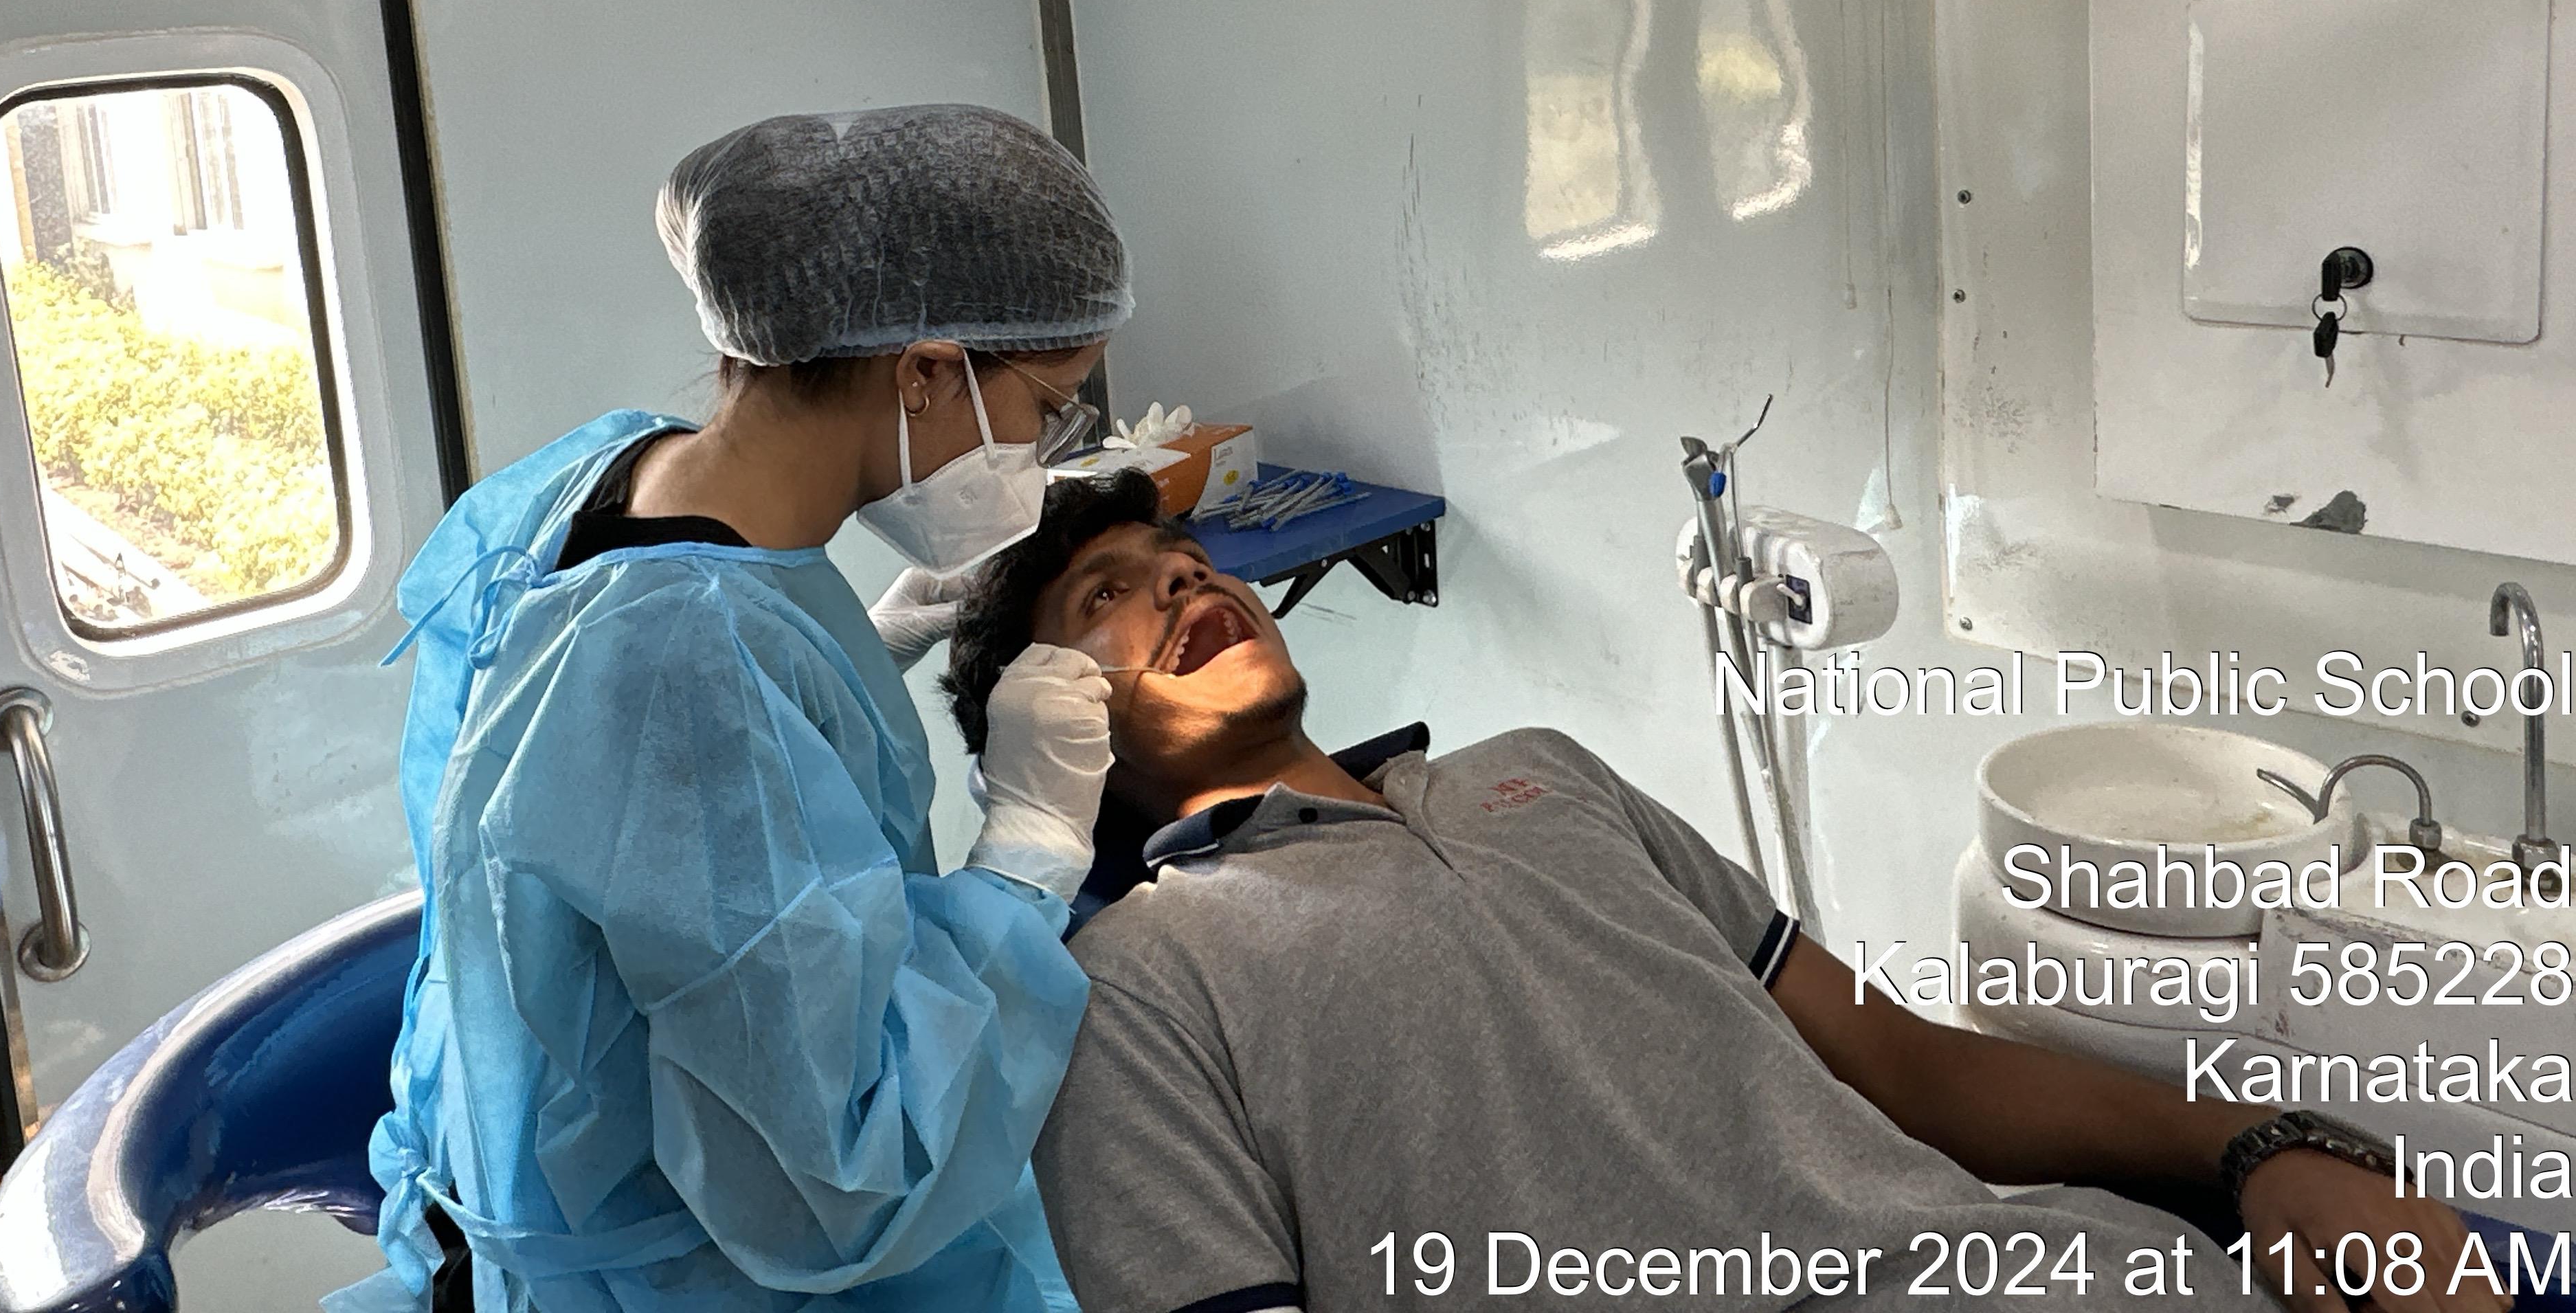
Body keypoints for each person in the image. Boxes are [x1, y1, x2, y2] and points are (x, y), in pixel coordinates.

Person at [941, 474, 2511, 1313]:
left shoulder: (1534, 778)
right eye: (1107, 595)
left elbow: (1900, 1062)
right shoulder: (1125, 989)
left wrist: (2262, 1150)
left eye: (1184, 556)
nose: (1185, 581)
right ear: (1045, 725)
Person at [329, 105, 1129, 1313]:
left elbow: (584, 811)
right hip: (669, 1276)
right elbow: (841, 1176)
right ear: (924, 373)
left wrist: (855, 652)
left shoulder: (611, 471)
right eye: (1046, 405)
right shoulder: (685, 661)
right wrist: (1028, 850)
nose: (1042, 447)